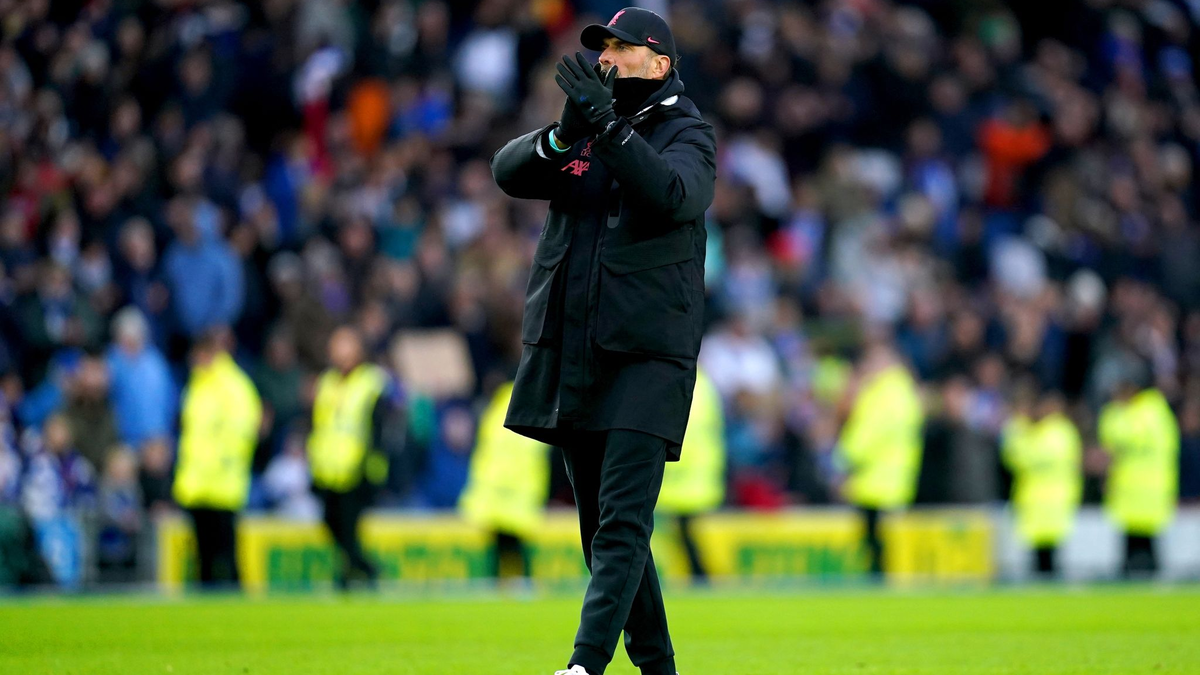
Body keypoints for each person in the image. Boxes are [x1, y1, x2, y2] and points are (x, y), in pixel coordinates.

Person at [491, 8, 716, 675]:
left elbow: (673, 195)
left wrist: (610, 127)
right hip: (581, 351)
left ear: (662, 63)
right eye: (604, 48)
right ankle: (659, 669)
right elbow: (508, 172)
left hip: (650, 354)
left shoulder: (689, 132)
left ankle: (584, 664)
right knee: (603, 532)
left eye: (624, 48)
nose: (608, 58)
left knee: (621, 523)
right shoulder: (588, 128)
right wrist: (565, 133)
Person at [307, 326, 396, 589]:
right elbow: (320, 427)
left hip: (356, 468)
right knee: (330, 523)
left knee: (348, 526)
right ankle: (362, 568)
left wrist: (374, 468)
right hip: (328, 468)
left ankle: (352, 573)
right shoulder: (326, 382)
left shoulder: (373, 381)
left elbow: (381, 428)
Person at [172, 329, 262, 587]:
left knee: (225, 552)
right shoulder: (197, 385)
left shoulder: (234, 385)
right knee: (203, 556)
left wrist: (221, 464)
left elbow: (242, 431)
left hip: (222, 482)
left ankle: (236, 603)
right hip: (197, 483)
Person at [837, 342, 924, 577]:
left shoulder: (883, 394)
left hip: (876, 479)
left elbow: (866, 434)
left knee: (877, 543)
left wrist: (842, 459)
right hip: (891, 478)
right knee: (883, 539)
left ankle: (882, 583)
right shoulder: (903, 392)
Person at [458, 380, 550, 579]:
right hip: (519, 490)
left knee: (500, 542)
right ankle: (524, 582)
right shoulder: (531, 406)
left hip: (497, 490)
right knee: (515, 541)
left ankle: (499, 581)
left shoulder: (496, 410)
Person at [1097, 372, 1180, 577]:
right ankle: (1149, 575)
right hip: (1148, 485)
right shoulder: (1160, 412)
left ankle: (1135, 574)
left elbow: (1114, 441)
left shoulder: (1137, 413)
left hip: (1139, 485)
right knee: (1142, 537)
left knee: (1138, 539)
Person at [1001, 386, 1082, 577]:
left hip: (1052, 500)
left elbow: (1023, 457)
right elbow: (1013, 458)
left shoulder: (1058, 432)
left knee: (1050, 555)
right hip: (1035, 501)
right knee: (1038, 556)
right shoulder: (1030, 431)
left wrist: (1020, 428)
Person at [656, 368, 725, 581]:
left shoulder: (671, 380)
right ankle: (699, 575)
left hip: (678, 477)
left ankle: (700, 575)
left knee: (681, 533)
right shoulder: (705, 385)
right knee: (685, 532)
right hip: (697, 476)